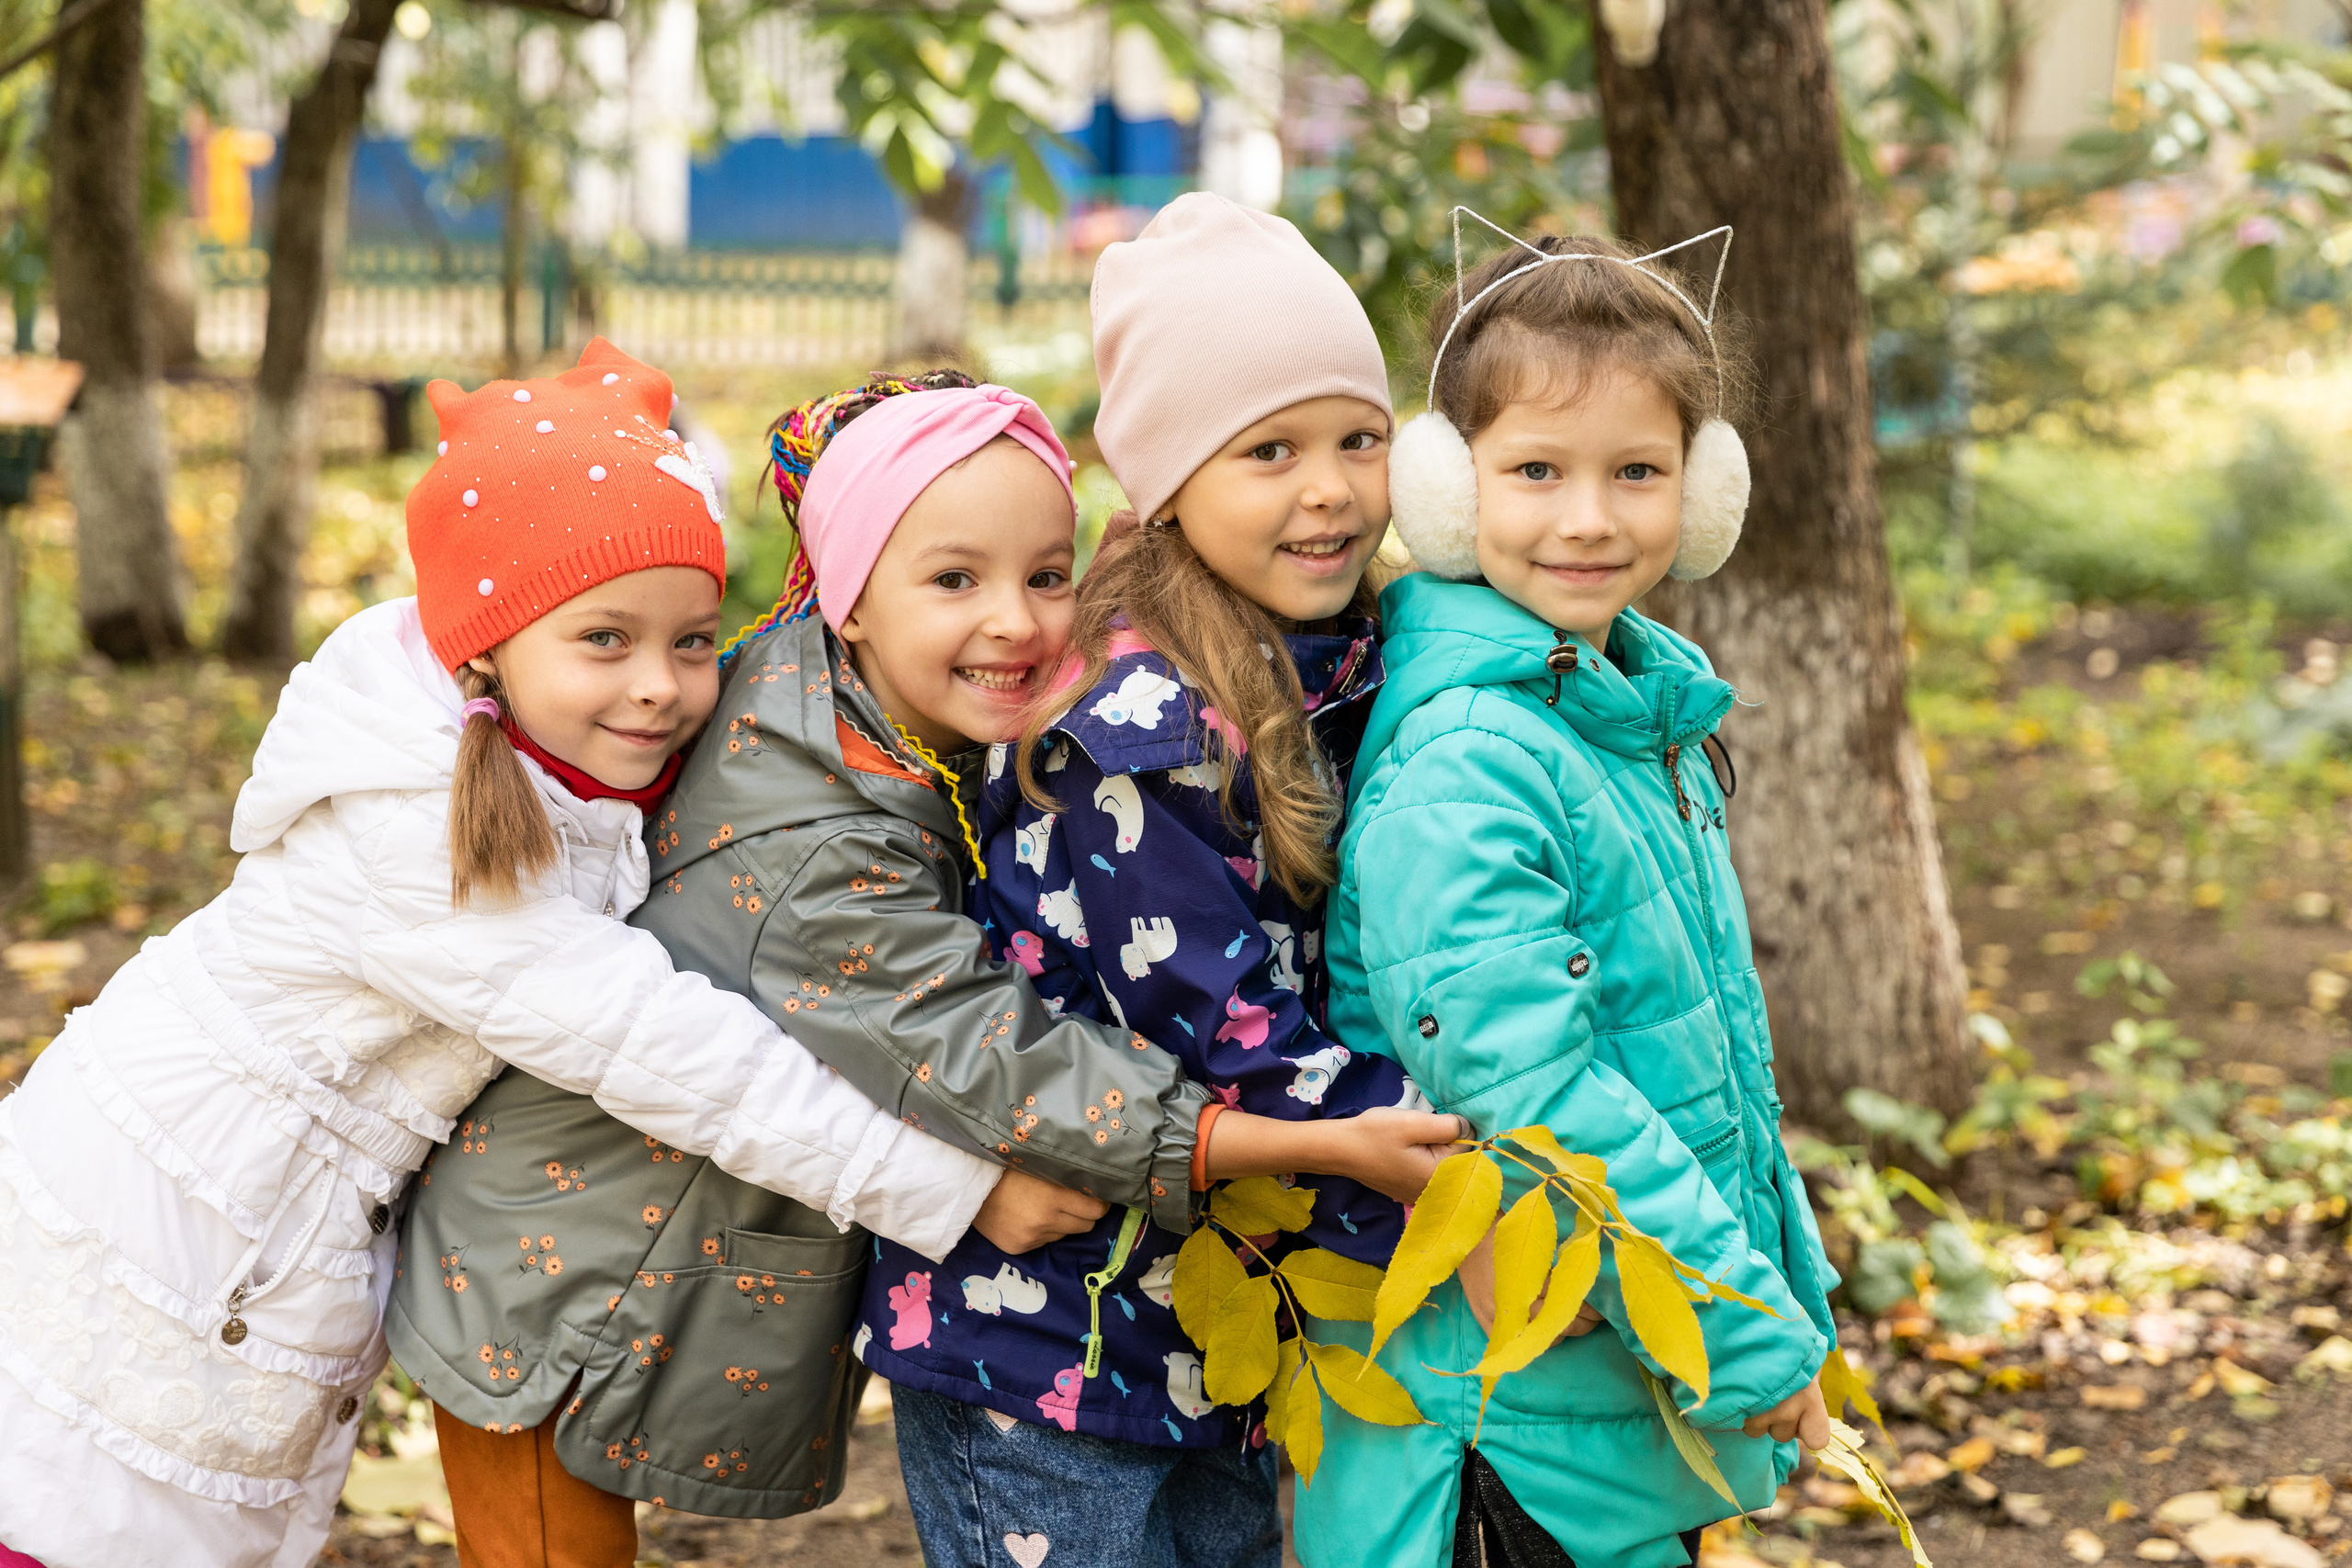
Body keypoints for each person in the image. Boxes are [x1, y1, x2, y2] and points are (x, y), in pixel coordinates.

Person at [387, 369, 1464, 1564]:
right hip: (561, 1283)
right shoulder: (814, 846)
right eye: (955, 579)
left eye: (1045, 577)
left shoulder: (874, 696)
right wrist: (1296, 1141)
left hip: (665, 1229)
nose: (1015, 620)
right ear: (850, 599)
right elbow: (993, 1061)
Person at [0, 341, 1035, 1568]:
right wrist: (951, 1191)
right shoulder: (419, 836)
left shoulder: (546, 750)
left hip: (262, 1201)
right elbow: (664, 1046)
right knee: (80, 1513)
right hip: (176, 1210)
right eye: (606, 640)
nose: (660, 688)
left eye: (694, 642)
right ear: (487, 642)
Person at [866, 192, 1433, 1568]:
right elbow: (1220, 1025)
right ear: (1169, 483)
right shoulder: (1136, 730)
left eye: (1362, 439)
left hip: (1205, 1322)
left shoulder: (1331, 647)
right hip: (1043, 1334)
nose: (1332, 488)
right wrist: (1442, 1185)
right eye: (1271, 451)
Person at [1300, 228, 1843, 1568]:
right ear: (1446, 485)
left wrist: (1782, 1287)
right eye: (1536, 470)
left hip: (1595, 1390)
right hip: (1494, 1429)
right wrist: (1741, 1326)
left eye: (1637, 472)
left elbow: (1701, 1052)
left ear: (1705, 490)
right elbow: (1531, 1091)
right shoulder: (1472, 762)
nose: (1589, 517)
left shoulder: (1619, 707)